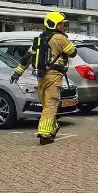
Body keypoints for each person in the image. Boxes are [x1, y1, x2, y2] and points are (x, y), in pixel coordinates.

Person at [10, 11, 77, 145]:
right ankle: (45, 134)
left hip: (40, 76)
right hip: (54, 76)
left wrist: (17, 73)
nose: (62, 26)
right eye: (60, 24)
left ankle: (52, 128)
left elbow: (27, 58)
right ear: (53, 24)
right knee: (51, 105)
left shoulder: (40, 39)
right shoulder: (60, 38)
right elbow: (73, 53)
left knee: (46, 105)